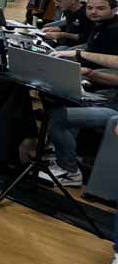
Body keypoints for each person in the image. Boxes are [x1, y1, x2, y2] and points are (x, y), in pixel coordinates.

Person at [41, 45, 118, 187]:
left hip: (115, 113)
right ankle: (59, 156)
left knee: (60, 119)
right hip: (111, 102)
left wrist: (79, 54)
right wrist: (87, 73)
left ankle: (70, 171)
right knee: (66, 103)